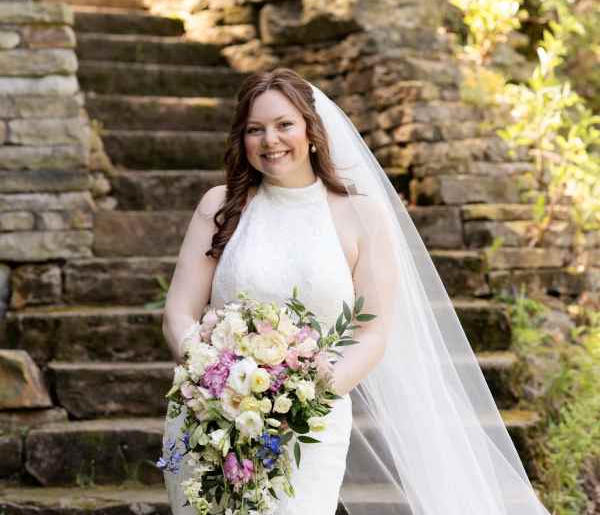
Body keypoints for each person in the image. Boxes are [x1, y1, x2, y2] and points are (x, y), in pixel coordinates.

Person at [162, 68, 553, 515]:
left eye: (284, 124)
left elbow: (373, 332)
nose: (270, 140)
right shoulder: (220, 206)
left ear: (311, 130)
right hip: (212, 419)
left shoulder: (361, 215)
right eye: (255, 129)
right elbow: (178, 313)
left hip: (309, 425)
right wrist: (212, 378)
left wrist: (310, 396)